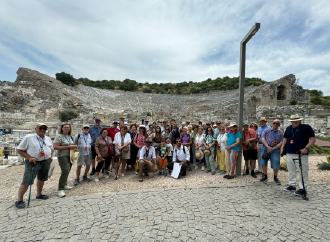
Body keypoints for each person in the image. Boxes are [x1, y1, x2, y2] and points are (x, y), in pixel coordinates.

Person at [15, 123, 53, 209]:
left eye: (44, 128)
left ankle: (39, 194)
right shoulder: (29, 138)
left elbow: (51, 148)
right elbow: (19, 150)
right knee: (27, 180)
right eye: (41, 128)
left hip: (45, 161)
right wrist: (29, 157)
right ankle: (19, 199)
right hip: (33, 162)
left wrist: (50, 157)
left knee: (42, 178)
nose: (42, 130)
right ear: (36, 129)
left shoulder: (48, 138)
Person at [281, 114, 315, 196]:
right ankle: (292, 185)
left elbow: (313, 139)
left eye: (297, 120)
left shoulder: (306, 127)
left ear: (300, 120)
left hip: (301, 153)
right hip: (289, 152)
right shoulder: (289, 128)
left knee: (303, 171)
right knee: (291, 169)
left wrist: (306, 148)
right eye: (293, 120)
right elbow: (285, 139)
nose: (295, 122)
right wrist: (282, 148)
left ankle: (303, 188)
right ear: (291, 121)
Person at [53, 124, 77, 197]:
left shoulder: (70, 136)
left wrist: (74, 147)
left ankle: (64, 184)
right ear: (62, 128)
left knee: (68, 170)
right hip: (62, 156)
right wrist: (68, 146)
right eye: (65, 127)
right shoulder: (59, 136)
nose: (67, 128)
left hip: (70, 155)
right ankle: (60, 189)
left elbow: (72, 145)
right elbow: (55, 147)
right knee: (65, 170)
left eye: (68, 127)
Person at [260, 119, 283, 184]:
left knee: (276, 162)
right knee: (263, 162)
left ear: (279, 125)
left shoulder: (280, 133)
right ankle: (265, 175)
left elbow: (281, 142)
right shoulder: (266, 130)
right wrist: (268, 147)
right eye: (274, 123)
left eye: (277, 124)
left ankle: (275, 177)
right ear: (272, 123)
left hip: (275, 149)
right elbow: (263, 139)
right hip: (266, 147)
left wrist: (273, 148)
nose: (275, 125)